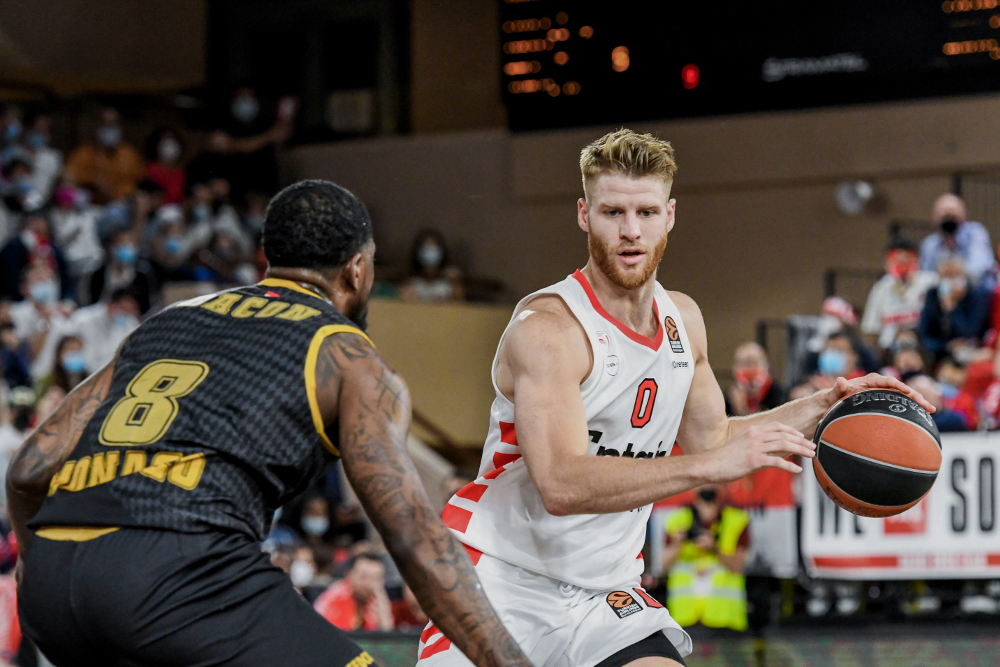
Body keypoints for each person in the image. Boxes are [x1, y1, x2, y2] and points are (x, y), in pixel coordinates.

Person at [425, 129, 932, 667]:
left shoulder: (683, 320)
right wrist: (709, 467)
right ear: (583, 214)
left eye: (645, 212)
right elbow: (562, 484)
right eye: (612, 212)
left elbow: (711, 437)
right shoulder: (549, 329)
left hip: (605, 591)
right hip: (502, 578)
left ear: (669, 215)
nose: (630, 231)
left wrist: (822, 406)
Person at [7, 179, 530, 667]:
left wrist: (48, 568)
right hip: (175, 571)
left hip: (53, 584)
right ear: (357, 270)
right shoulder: (351, 358)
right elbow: (414, 535)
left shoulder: (168, 322)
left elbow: (29, 469)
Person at [661, 485, 750, 631]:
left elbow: (738, 567)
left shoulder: (737, 519)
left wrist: (714, 548)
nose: (708, 486)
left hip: (724, 618)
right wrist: (677, 544)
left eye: (713, 481)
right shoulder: (677, 519)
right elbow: (663, 565)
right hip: (685, 618)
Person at [861, 237, 939, 351]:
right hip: (889, 351)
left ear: (917, 260)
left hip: (925, 349)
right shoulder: (880, 288)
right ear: (886, 263)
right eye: (896, 260)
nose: (902, 264)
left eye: (907, 259)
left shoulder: (931, 282)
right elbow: (870, 330)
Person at [64, 107, 146, 204]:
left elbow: (141, 182)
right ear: (98, 126)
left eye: (113, 123)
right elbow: (69, 176)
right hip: (91, 206)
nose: (109, 128)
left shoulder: (129, 154)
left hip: (123, 206)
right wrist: (93, 182)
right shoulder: (84, 153)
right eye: (106, 124)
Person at [919, 255, 992, 362]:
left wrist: (952, 309)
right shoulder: (932, 296)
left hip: (972, 351)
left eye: (955, 275)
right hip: (941, 353)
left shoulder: (976, 296)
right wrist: (946, 346)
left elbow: (970, 332)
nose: (951, 281)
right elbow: (925, 336)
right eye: (946, 276)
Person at [919, 193, 996, 287]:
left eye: (953, 214)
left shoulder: (976, 233)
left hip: (974, 290)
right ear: (935, 218)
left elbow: (978, 269)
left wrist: (955, 273)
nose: (949, 219)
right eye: (944, 215)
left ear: (964, 215)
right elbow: (926, 276)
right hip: (941, 290)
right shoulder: (930, 243)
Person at [314, 553, 395, 631]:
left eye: (376, 578)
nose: (369, 583)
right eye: (364, 577)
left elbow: (387, 635)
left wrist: (384, 613)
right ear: (349, 574)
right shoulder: (337, 596)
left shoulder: (376, 600)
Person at [86, 228, 157, 314]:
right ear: (110, 247)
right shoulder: (99, 274)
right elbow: (92, 303)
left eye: (128, 243)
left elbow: (147, 306)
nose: (125, 247)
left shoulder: (142, 273)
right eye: (121, 243)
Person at [724, 342, 786, 417]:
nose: (750, 369)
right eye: (745, 363)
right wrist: (738, 407)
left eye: (754, 362)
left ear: (766, 365)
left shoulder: (779, 394)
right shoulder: (728, 398)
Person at [400, 230, 464, 302]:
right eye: (426, 250)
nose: (430, 255)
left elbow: (459, 306)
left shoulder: (448, 283)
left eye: (433, 250)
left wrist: (456, 283)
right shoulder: (412, 282)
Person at [145, 127, 186, 205]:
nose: (169, 144)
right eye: (165, 140)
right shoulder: (149, 169)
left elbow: (175, 197)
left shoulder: (179, 173)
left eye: (172, 140)